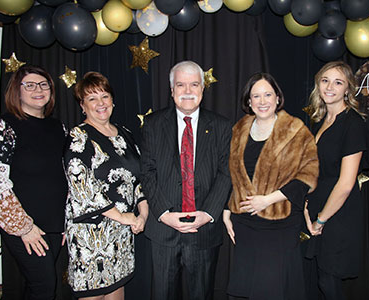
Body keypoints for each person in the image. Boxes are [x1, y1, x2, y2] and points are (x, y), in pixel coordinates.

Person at [140, 60, 232, 300]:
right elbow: (147, 172)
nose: (188, 91)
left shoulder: (222, 126)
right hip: (163, 231)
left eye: (194, 84)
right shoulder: (152, 124)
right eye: (180, 85)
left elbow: (226, 173)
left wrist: (208, 214)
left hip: (204, 231)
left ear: (203, 89)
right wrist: (163, 213)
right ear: (171, 91)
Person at [223, 73, 319, 300]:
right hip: (245, 223)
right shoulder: (239, 130)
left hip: (280, 224)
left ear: (277, 98)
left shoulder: (296, 130)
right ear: (248, 102)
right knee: (246, 289)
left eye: (268, 94)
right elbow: (233, 174)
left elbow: (309, 174)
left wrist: (268, 199)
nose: (262, 101)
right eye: (256, 96)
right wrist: (227, 210)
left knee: (272, 289)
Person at [64, 72, 148, 299]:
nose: (100, 103)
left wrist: (142, 214)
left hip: (121, 235)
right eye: (92, 99)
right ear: (82, 106)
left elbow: (138, 180)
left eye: (104, 96)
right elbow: (82, 187)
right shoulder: (78, 137)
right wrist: (123, 217)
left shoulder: (126, 134)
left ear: (113, 100)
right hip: (91, 236)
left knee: (116, 291)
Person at [0, 65, 68, 300]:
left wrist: (64, 220)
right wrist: (24, 228)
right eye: (30, 85)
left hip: (54, 225)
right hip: (24, 225)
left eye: (44, 85)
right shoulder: (3, 126)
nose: (38, 89)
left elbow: (63, 175)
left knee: (38, 287)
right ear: (17, 90)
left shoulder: (59, 128)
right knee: (43, 287)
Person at [303, 61, 367, 300]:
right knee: (323, 280)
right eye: (325, 80)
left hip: (339, 214)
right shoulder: (319, 122)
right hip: (320, 208)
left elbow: (346, 183)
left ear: (347, 89)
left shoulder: (353, 124)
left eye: (338, 82)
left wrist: (321, 220)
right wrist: (309, 210)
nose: (330, 87)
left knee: (329, 282)